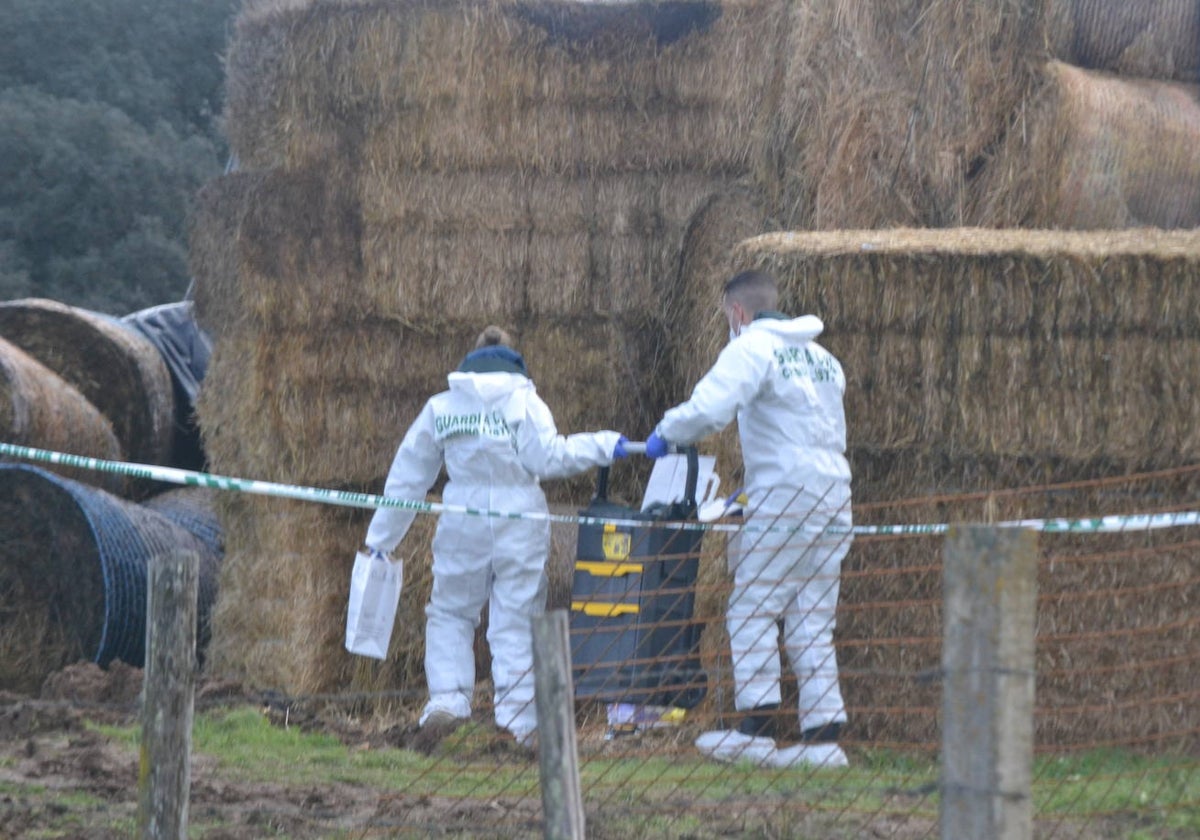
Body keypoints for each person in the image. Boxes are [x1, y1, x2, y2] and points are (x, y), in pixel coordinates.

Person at [363, 326, 628, 747]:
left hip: (462, 514)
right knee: (517, 619)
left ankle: (447, 703)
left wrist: (382, 540)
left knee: (451, 610)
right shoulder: (524, 401)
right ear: (513, 361)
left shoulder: (443, 406)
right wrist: (605, 445)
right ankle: (519, 723)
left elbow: (408, 477)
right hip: (519, 515)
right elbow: (550, 456)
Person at [645, 270, 852, 768]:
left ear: (737, 313)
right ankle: (823, 736)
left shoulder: (751, 349)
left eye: (725, 318)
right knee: (810, 616)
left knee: (751, 607)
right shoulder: (824, 359)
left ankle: (754, 729)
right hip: (835, 494)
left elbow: (711, 409)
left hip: (785, 496)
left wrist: (667, 432)